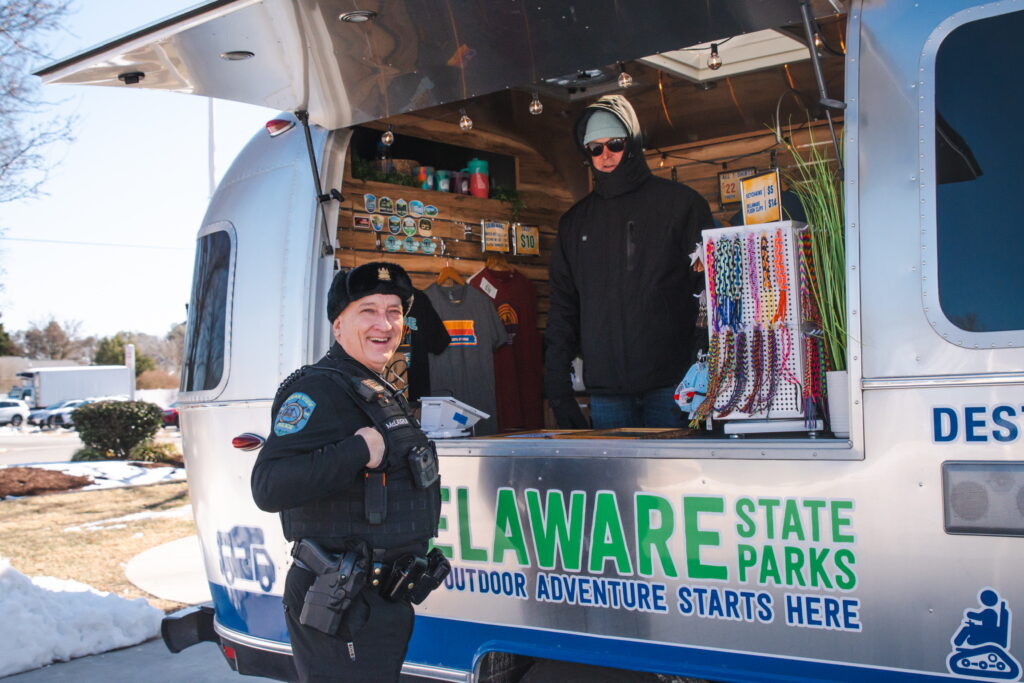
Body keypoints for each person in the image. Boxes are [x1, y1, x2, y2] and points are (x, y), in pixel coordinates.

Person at [251, 262, 447, 682]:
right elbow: (269, 486)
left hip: (378, 601)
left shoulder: (375, 388)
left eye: (394, 311)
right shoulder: (316, 388)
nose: (385, 323)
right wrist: (357, 449)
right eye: (368, 311)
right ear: (338, 325)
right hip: (340, 606)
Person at [545, 95, 713, 429]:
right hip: (607, 388)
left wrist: (705, 364)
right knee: (614, 479)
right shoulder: (575, 222)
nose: (605, 155)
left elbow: (709, 290)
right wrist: (557, 387)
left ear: (633, 142)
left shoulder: (681, 205)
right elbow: (564, 306)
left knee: (673, 478)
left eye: (615, 144)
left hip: (674, 382)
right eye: (595, 148)